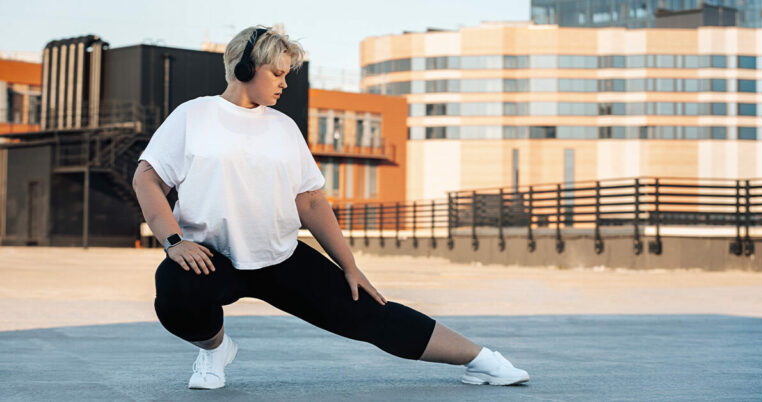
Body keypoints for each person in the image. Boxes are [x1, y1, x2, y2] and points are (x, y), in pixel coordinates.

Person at [132, 25, 529, 390]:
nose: (285, 83)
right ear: (244, 68)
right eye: (277, 73)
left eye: (288, 74)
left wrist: (350, 267)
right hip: (212, 257)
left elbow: (311, 200)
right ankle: (215, 350)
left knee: (371, 313)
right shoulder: (194, 116)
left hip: (279, 257)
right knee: (175, 286)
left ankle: (482, 359)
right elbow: (147, 178)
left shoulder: (283, 128)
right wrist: (173, 241)